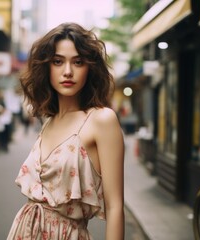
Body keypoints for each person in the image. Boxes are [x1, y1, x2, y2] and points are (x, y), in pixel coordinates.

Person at [7, 22, 125, 240]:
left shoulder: (101, 120)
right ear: (46, 67)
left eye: (78, 62)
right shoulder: (49, 121)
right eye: (58, 61)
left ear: (90, 67)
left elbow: (115, 206)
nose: (68, 71)